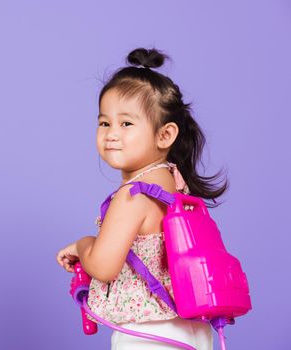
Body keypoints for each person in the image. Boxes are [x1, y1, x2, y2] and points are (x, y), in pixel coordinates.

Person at [56, 47, 229, 349]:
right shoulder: (174, 181)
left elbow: (103, 266)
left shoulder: (133, 195)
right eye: (104, 123)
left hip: (149, 334)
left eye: (126, 124)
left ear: (165, 135)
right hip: (191, 328)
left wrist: (83, 244)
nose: (111, 134)